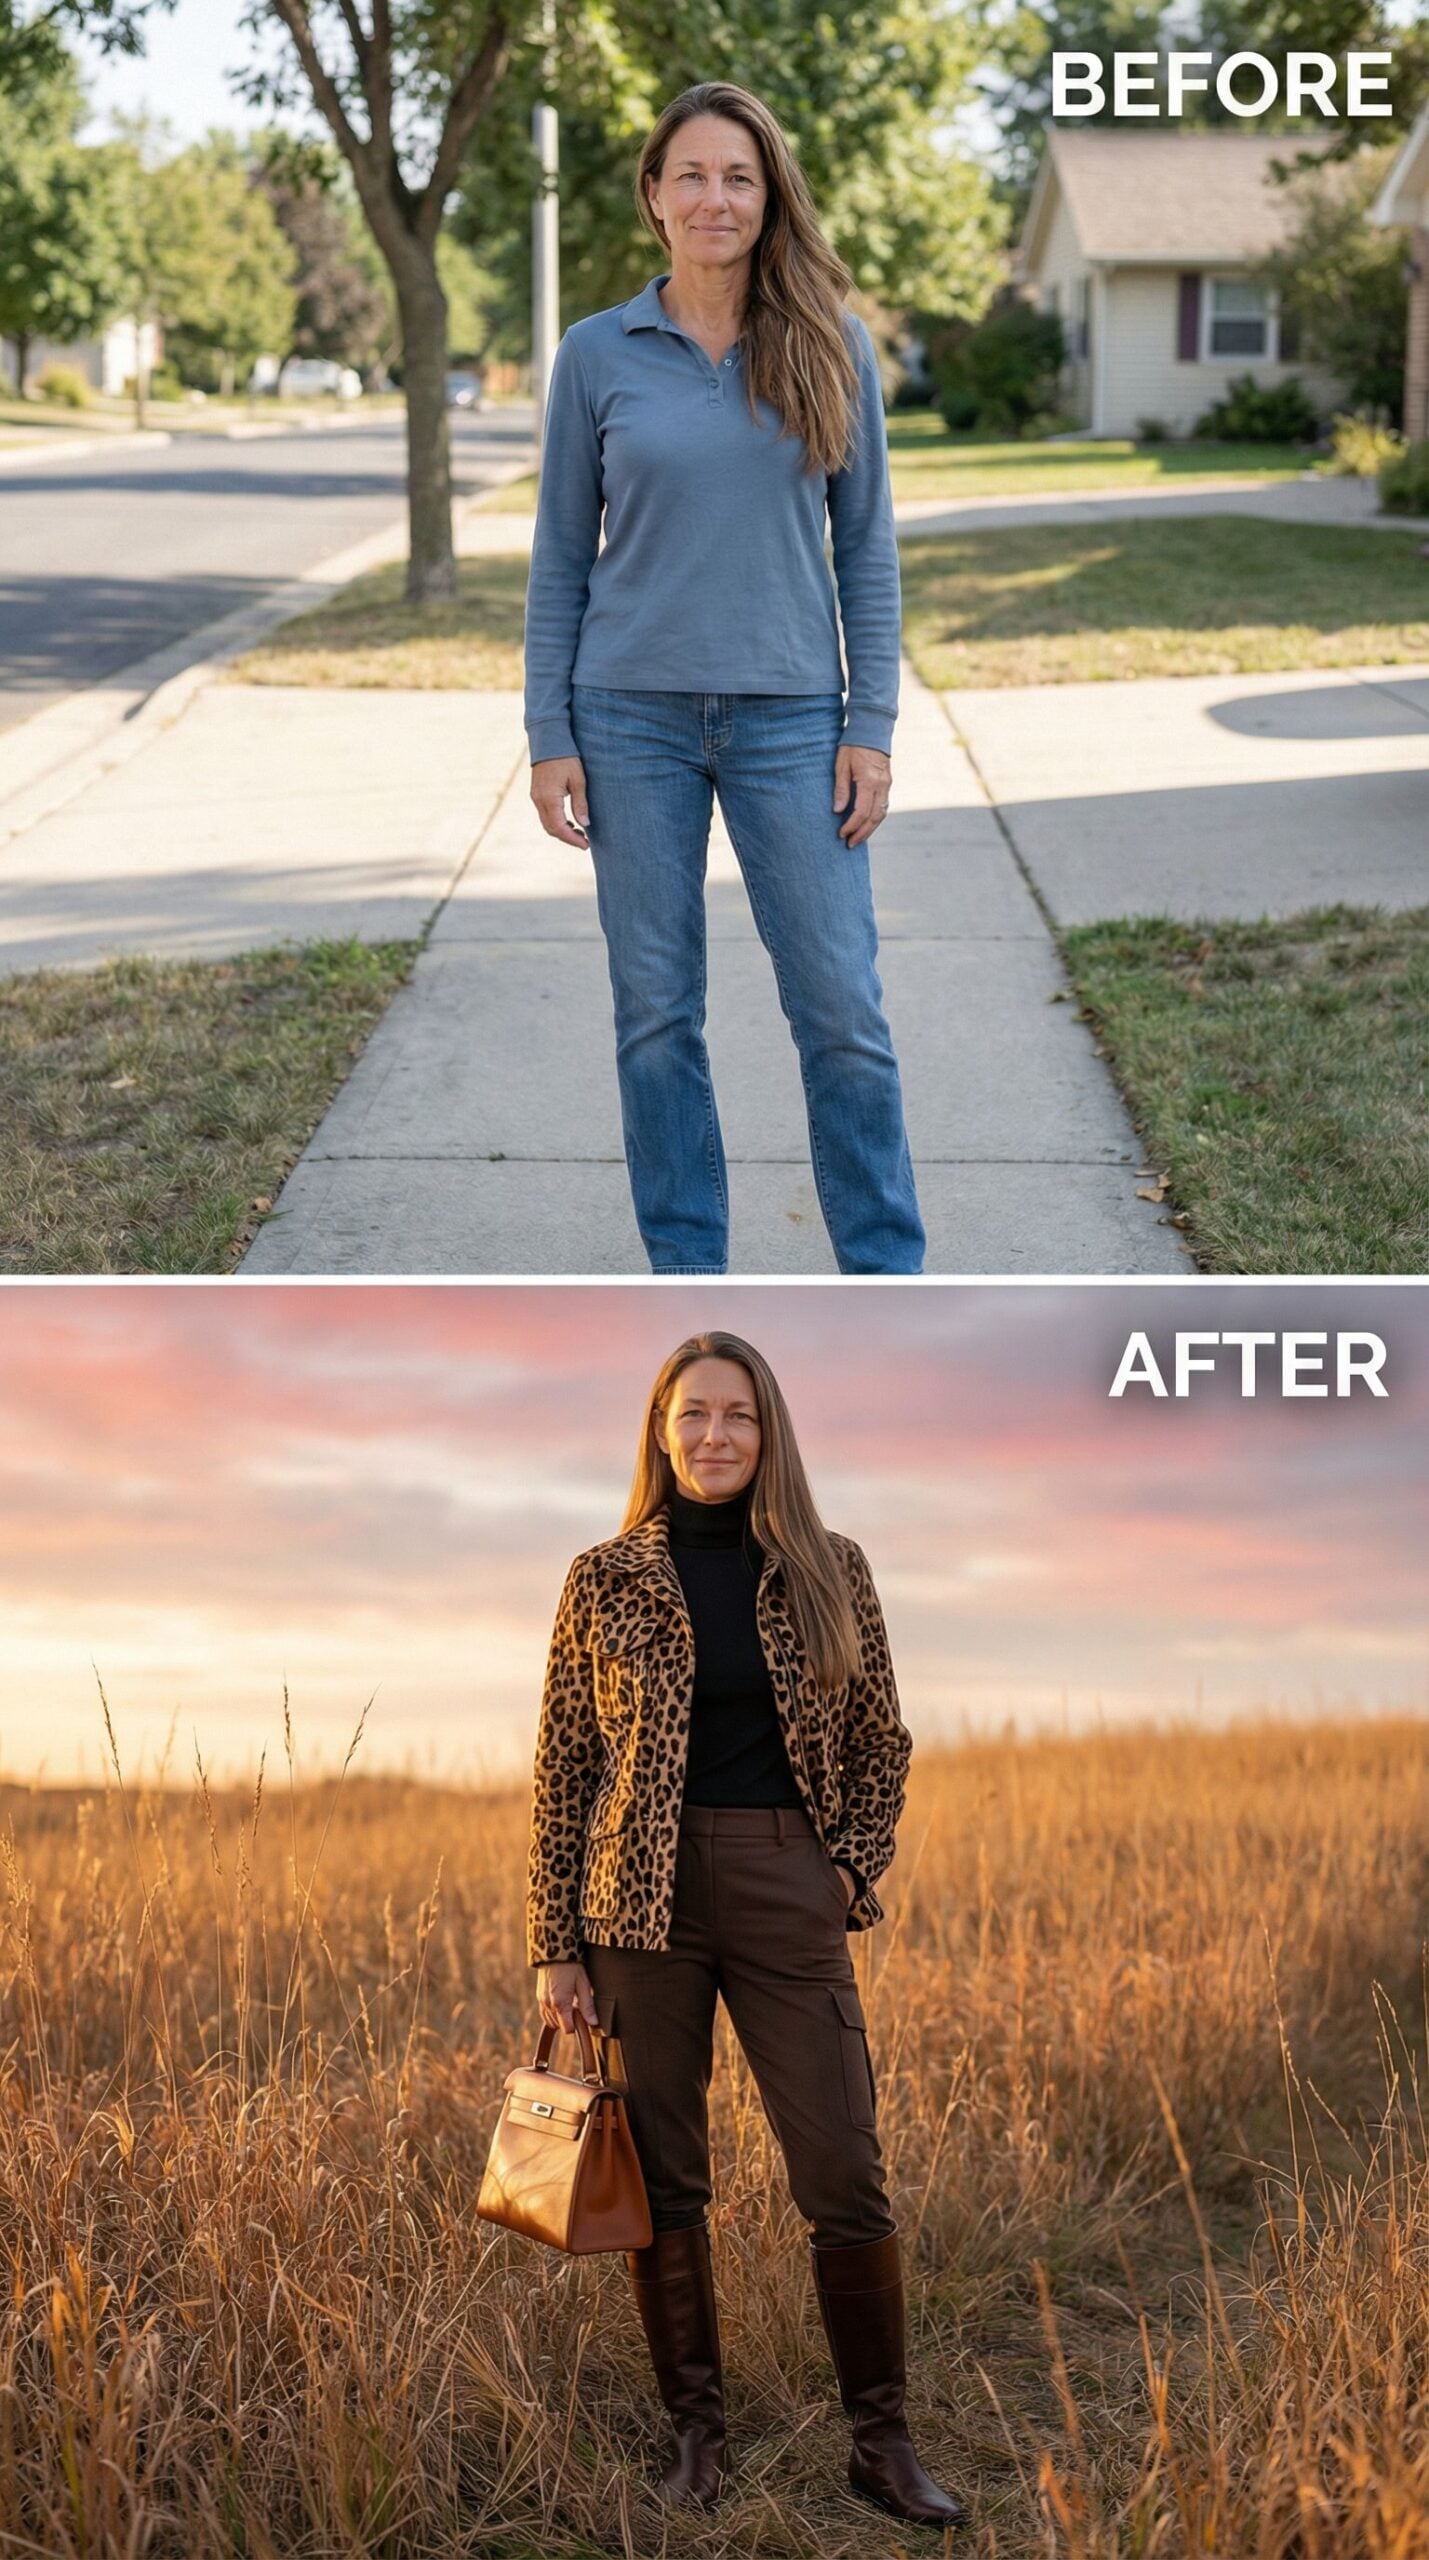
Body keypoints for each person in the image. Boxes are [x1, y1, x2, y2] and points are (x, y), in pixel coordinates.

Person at [526, 1331, 965, 2527]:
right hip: (636, 1906)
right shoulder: (602, 1576)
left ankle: (881, 2443)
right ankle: (697, 2441)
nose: (714, 1434)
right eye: (693, 1413)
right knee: (666, 2177)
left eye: (738, 1414)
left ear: (770, 1433)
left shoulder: (829, 1565)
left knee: (843, 2166)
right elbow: (564, 1766)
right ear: (659, 1430)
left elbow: (880, 1739)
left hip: (787, 1883)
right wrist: (554, 1943)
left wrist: (844, 1871)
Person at [524, 82, 925, 1279]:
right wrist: (550, 731)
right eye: (691, 175)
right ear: (653, 195)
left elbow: (866, 547)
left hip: (793, 719)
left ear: (768, 197)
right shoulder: (594, 354)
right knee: (655, 1016)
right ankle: (686, 1270)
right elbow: (559, 557)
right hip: (628, 717)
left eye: (739, 177)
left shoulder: (830, 341)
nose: (716, 198)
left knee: (841, 1009)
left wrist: (870, 722)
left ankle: (885, 1274)